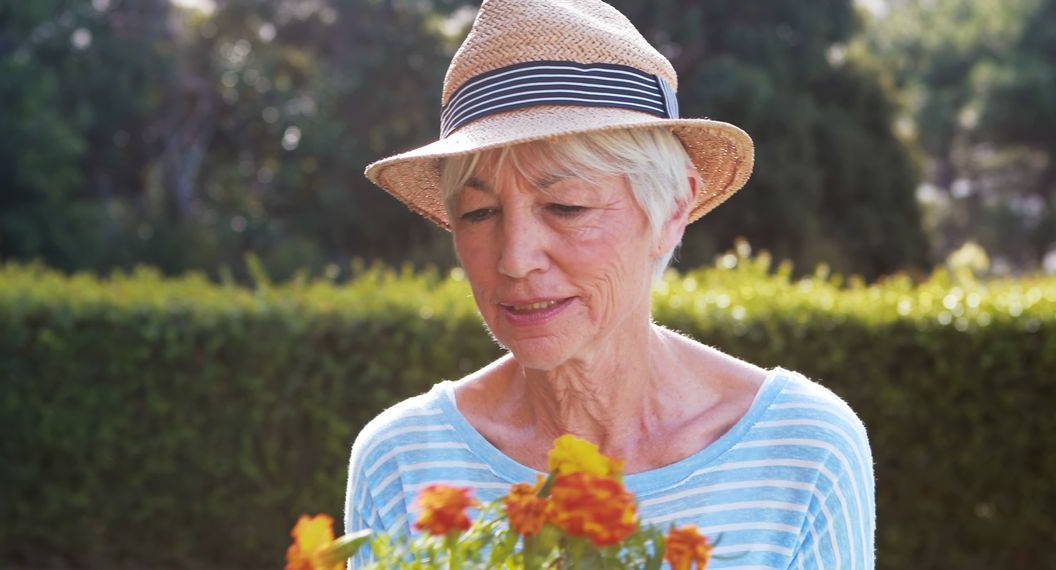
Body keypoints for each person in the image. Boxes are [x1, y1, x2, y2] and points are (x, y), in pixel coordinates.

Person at [345, 0, 875, 568]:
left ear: (673, 209)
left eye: (566, 206)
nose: (516, 259)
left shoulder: (804, 448)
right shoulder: (401, 458)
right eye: (478, 213)